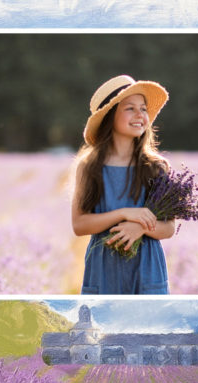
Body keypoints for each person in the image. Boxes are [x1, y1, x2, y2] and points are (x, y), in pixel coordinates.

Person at [72, 75, 175, 295]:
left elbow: (168, 228)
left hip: (146, 270)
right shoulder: (88, 167)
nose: (140, 115)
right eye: (130, 108)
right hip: (104, 270)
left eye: (143, 109)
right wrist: (125, 213)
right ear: (110, 116)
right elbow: (79, 225)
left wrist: (139, 227)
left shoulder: (157, 167)